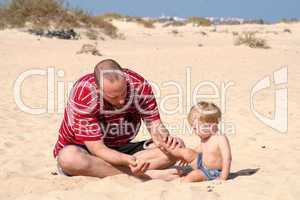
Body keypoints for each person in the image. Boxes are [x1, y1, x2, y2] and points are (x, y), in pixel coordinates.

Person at [53, 59, 185, 179]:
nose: (121, 101)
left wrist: (164, 140)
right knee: (68, 158)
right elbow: (98, 149)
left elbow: (155, 125)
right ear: (98, 89)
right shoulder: (84, 94)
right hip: (86, 150)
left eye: (123, 92)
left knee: (175, 147)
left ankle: (112, 170)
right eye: (113, 97)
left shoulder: (138, 86)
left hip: (121, 148)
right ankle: (145, 175)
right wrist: (127, 160)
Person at [161, 101, 232, 182]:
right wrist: (188, 155)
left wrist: (223, 177)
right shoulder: (206, 136)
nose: (194, 131)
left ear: (210, 125)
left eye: (196, 128)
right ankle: (167, 149)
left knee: (191, 177)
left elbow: (227, 159)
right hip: (202, 163)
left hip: (212, 172)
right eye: (193, 128)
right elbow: (201, 148)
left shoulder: (220, 138)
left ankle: (182, 178)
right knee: (186, 152)